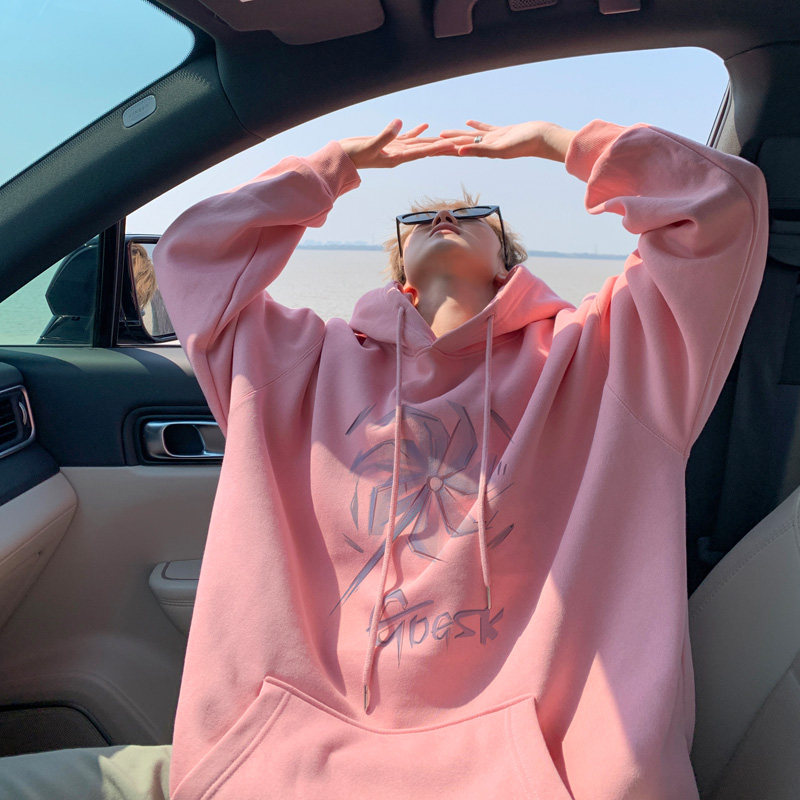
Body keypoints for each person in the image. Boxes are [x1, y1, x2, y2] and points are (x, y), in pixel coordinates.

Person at [0, 117, 769, 800]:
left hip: (538, 770)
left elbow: (718, 210)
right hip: (294, 761)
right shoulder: (300, 361)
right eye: (422, 219)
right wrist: (333, 169)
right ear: (401, 271)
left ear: (508, 262)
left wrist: (563, 147)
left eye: (470, 216)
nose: (444, 218)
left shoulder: (604, 357)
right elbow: (195, 253)